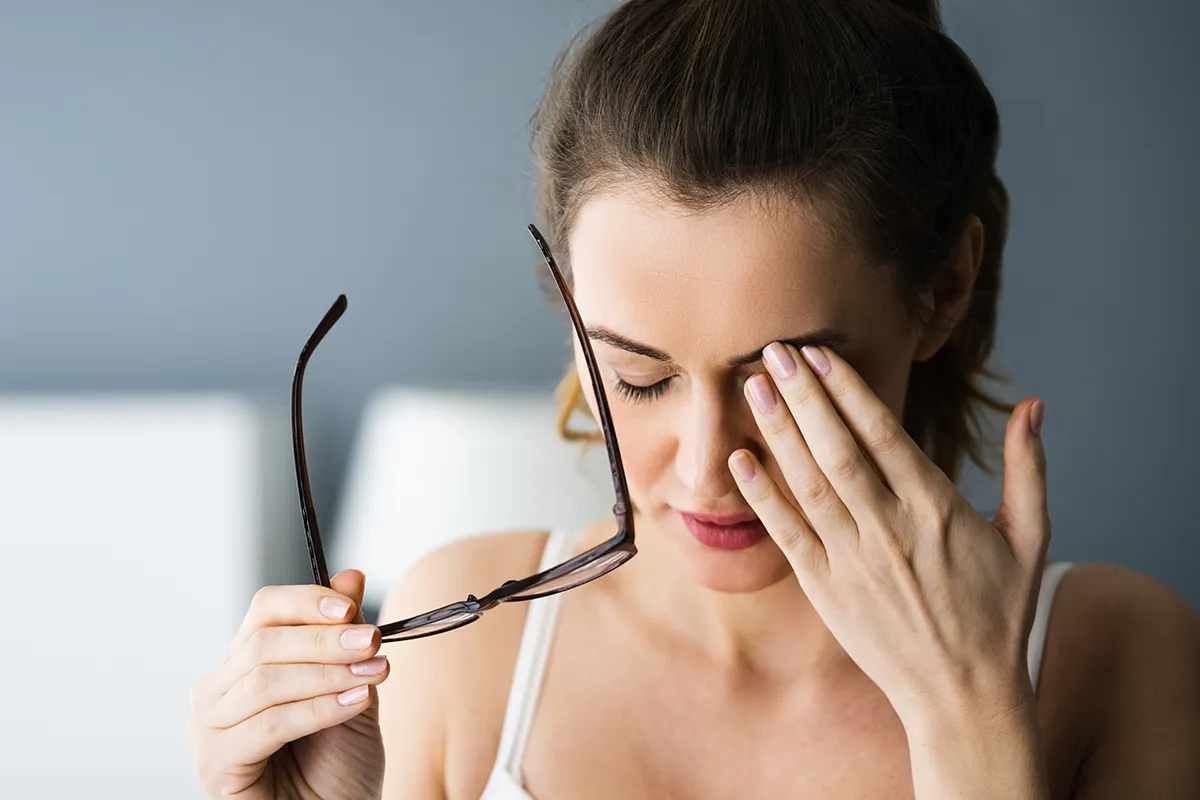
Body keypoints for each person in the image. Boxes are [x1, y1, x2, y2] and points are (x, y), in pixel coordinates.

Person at [187, 0, 1200, 797]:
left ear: (942, 290)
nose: (709, 462)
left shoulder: (1120, 660)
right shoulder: (467, 645)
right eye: (638, 373)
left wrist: (970, 718)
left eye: (781, 375)